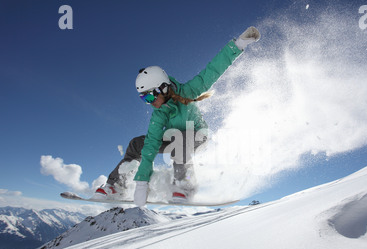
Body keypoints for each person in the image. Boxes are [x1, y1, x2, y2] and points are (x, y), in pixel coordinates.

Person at [94, 27, 261, 207]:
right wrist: (142, 181)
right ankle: (116, 185)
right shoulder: (160, 113)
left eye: (150, 96)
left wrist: (239, 44)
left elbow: (213, 69)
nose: (149, 102)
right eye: (144, 98)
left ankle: (184, 184)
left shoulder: (189, 91)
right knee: (137, 144)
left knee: (179, 141)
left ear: (163, 88)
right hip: (174, 137)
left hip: (198, 135)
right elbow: (150, 145)